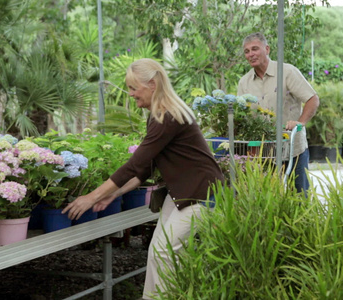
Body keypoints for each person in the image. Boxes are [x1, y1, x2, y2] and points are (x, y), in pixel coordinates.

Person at [62, 58, 225, 299]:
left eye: (133, 87)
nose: (130, 94)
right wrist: (112, 195)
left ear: (152, 84)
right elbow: (144, 169)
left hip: (201, 195)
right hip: (182, 194)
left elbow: (134, 164)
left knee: (163, 252)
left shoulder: (168, 116)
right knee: (158, 253)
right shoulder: (157, 116)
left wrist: (91, 197)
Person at [237, 32, 320, 195]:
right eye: (247, 51)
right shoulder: (244, 83)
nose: (250, 54)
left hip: (292, 149)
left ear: (267, 49)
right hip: (263, 153)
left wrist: (300, 122)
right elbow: (242, 117)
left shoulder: (287, 72)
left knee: (298, 197)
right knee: (267, 200)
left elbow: (312, 99)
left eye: (255, 49)